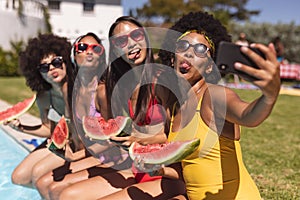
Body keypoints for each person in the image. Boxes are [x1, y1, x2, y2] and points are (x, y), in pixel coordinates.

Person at [98, 11, 281, 200]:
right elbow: (189, 169)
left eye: (200, 49)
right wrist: (160, 169)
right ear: (172, 56)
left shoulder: (213, 96)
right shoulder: (176, 107)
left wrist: (269, 96)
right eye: (182, 45)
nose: (189, 52)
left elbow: (248, 115)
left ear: (210, 65)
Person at [53, 16, 185, 200]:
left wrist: (138, 139)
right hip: (139, 165)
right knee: (67, 195)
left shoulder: (161, 80)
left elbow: (178, 137)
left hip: (168, 172)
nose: (131, 44)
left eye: (137, 35)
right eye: (122, 40)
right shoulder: (126, 85)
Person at [35, 32, 112, 199]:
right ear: (73, 56)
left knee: (58, 190)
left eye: (96, 48)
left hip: (108, 156)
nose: (89, 51)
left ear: (101, 57)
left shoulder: (102, 91)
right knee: (41, 183)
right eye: (82, 47)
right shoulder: (72, 89)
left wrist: (74, 156)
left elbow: (111, 140)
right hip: (89, 153)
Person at [3, 33, 75, 188]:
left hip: (79, 142)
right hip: (60, 141)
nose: (51, 68)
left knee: (38, 174)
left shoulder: (77, 87)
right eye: (44, 67)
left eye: (56, 61)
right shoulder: (44, 97)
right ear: (37, 73)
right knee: (18, 177)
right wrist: (21, 127)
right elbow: (49, 128)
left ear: (66, 61)